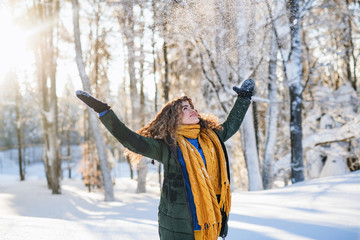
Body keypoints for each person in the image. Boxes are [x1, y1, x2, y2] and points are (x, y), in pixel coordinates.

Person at [76, 79, 254, 240]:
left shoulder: (211, 138)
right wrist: (104, 111)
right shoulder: (168, 147)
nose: (192, 110)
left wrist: (244, 99)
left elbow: (231, 125)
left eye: (191, 107)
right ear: (174, 118)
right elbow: (131, 140)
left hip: (209, 225)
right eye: (184, 108)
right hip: (179, 227)